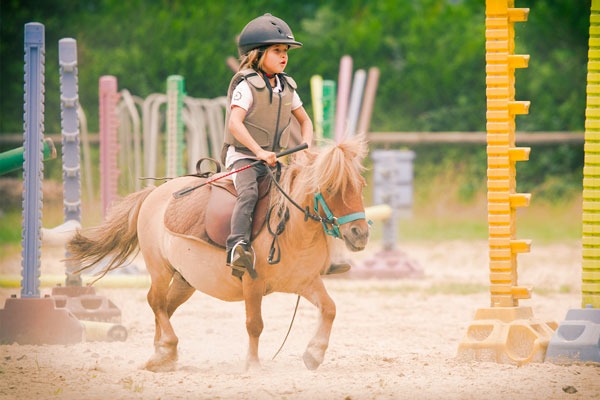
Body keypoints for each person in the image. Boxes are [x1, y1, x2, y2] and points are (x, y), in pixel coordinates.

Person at [222, 13, 313, 279]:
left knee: (300, 193)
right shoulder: (246, 85)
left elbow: (305, 121)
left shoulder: (287, 87)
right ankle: (237, 246)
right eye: (277, 51)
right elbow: (235, 124)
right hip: (243, 158)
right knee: (249, 193)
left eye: (285, 51)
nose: (284, 56)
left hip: (274, 159)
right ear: (258, 54)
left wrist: (306, 147)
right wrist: (259, 152)